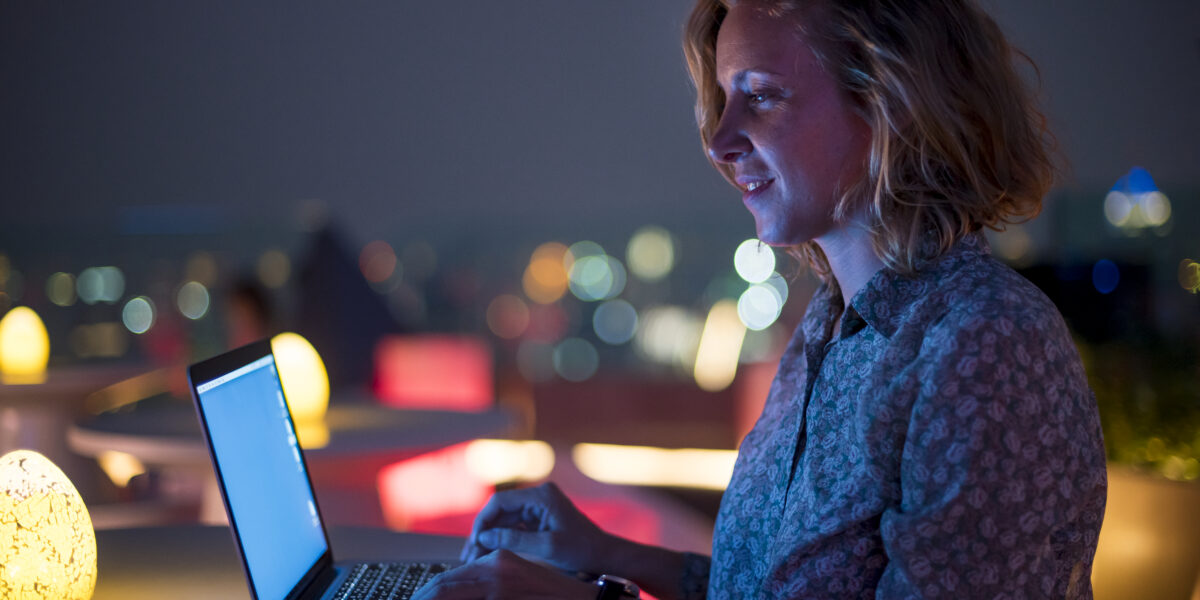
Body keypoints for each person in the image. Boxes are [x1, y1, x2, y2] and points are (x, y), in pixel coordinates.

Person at [415, 0, 1107, 597]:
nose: (719, 142)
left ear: (893, 103)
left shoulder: (986, 344)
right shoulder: (830, 328)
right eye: (723, 98)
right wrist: (607, 556)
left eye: (763, 94)